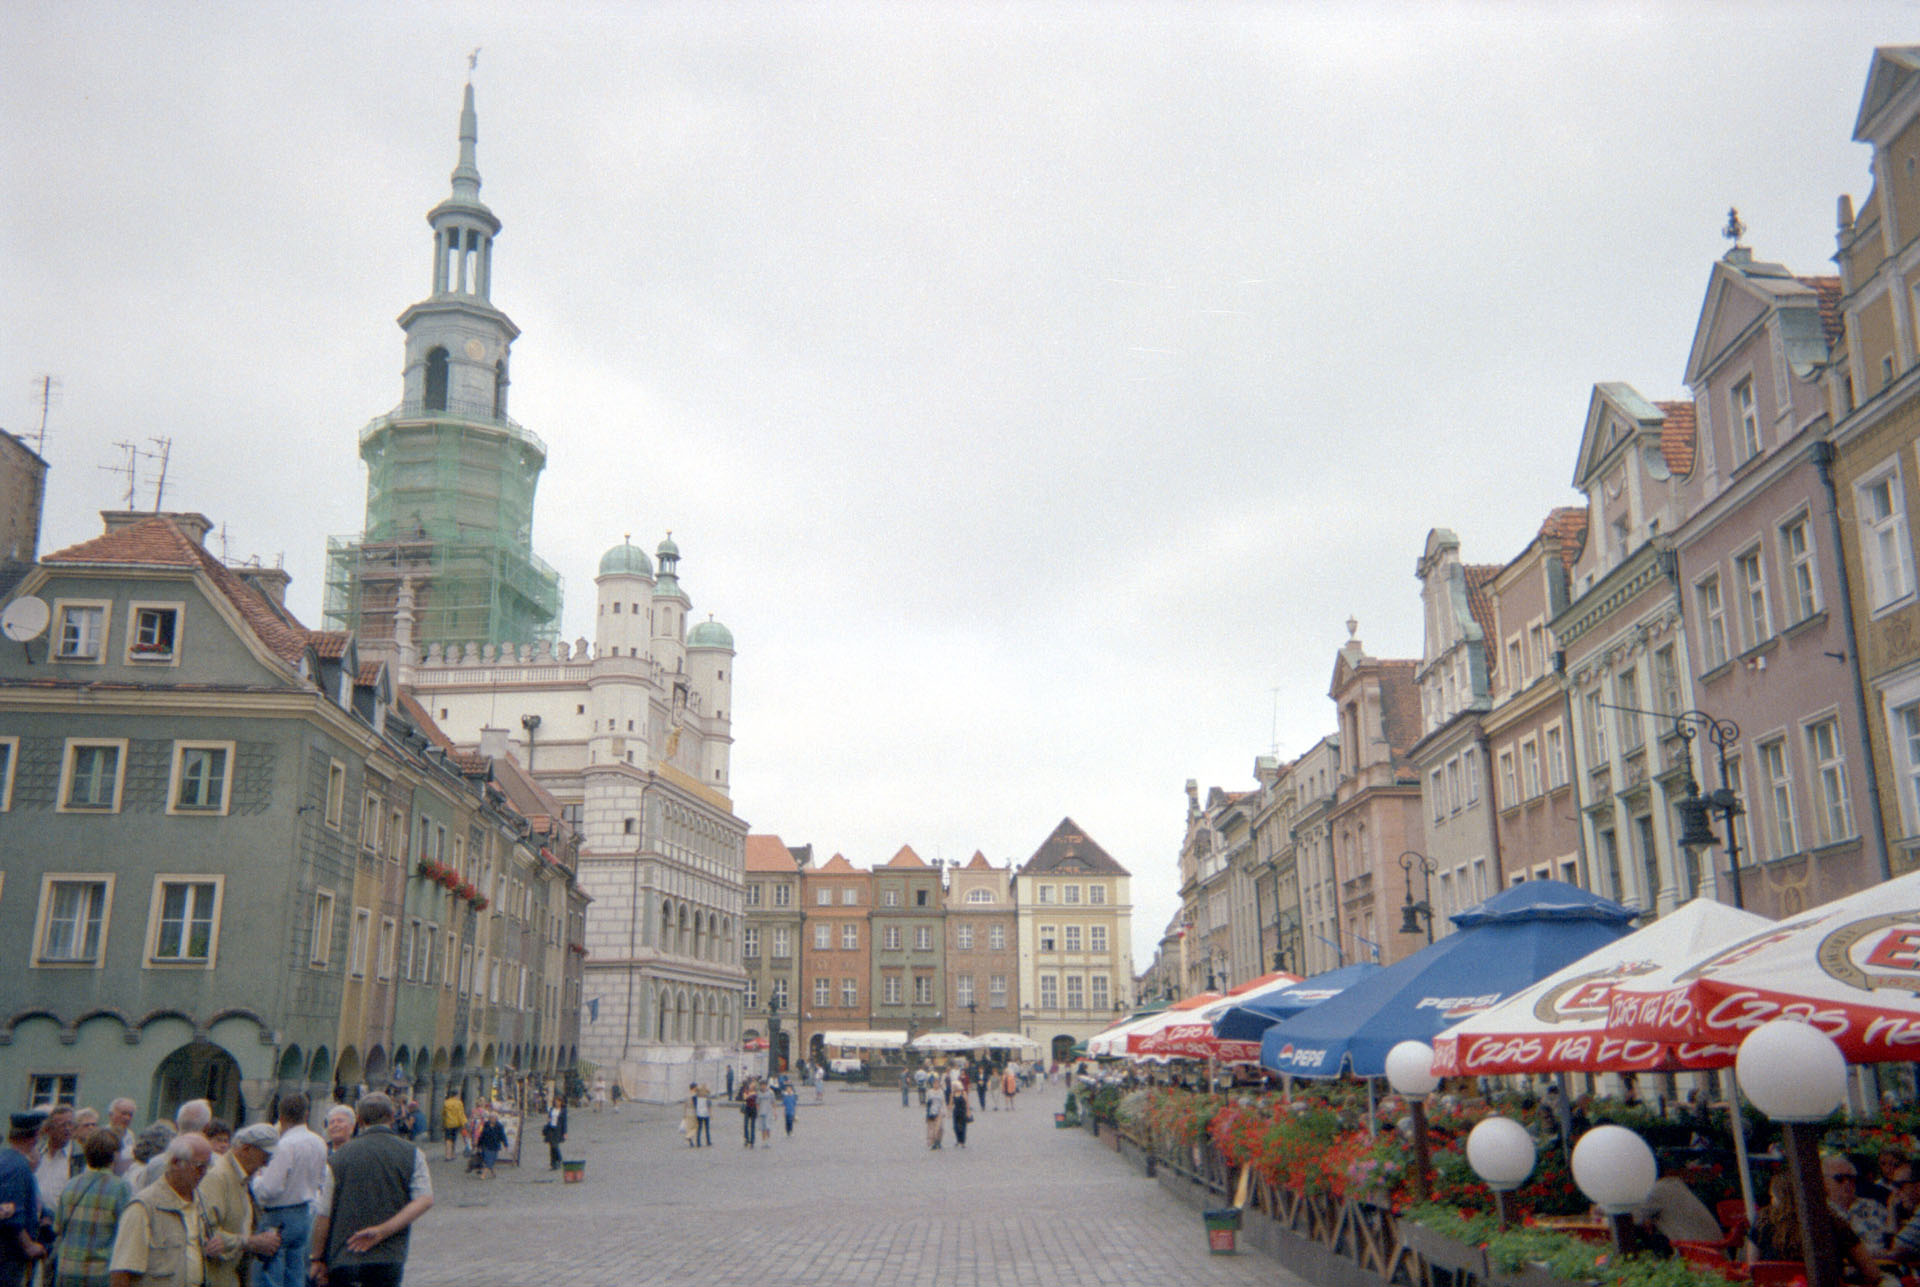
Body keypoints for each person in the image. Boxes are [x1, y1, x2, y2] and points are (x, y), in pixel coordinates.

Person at [309, 1093, 433, 1287]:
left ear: (359, 1120)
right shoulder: (413, 1153)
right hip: (388, 1255)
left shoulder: (338, 1157)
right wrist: (383, 1231)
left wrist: (316, 1257)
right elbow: (425, 1199)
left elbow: (324, 1213)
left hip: (345, 1254)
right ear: (392, 1116)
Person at [108, 1132, 213, 1287]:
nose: (204, 1173)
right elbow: (121, 1273)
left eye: (207, 1167)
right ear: (176, 1163)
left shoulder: (201, 1201)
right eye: (199, 1167)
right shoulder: (144, 1207)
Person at [251, 1093, 327, 1287]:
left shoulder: (285, 1145)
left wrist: (257, 1181)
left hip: (279, 1216)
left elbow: (270, 1188)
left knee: (269, 1273)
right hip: (304, 1212)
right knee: (295, 1272)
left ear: (281, 1116)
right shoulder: (319, 1142)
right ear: (306, 1114)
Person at [1753, 1167, 1881, 1283]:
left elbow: (1753, 1270)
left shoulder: (1763, 1225)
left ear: (1778, 1197)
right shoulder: (1834, 1224)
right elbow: (1872, 1273)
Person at [200, 1123, 281, 1287]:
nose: (266, 1164)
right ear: (246, 1149)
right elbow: (207, 1234)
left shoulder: (241, 1178)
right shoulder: (218, 1176)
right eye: (265, 1156)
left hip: (229, 1276)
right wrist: (251, 1242)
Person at [51, 1126, 129, 1287]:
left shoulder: (71, 1184)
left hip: (66, 1269)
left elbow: (58, 1227)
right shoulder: (120, 1187)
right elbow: (125, 1232)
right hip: (99, 1273)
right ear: (114, 1155)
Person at [0, 1112, 48, 1287]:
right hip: (9, 1256)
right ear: (34, 1137)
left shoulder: (6, 1158)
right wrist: (29, 1246)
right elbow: (10, 1216)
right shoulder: (19, 1166)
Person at [1630, 1168, 1721, 1248]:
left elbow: (1629, 1220)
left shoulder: (1656, 1191)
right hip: (1714, 1249)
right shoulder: (1674, 1185)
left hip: (1699, 1253)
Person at [473, 1112, 506, 1179]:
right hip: (486, 1145)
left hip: (494, 1146)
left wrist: (505, 1144)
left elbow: (502, 1136)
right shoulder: (486, 1124)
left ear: (496, 1119)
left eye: (494, 1118)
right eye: (491, 1118)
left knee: (490, 1160)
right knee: (487, 1160)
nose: (492, 1119)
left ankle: (483, 1175)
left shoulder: (499, 1126)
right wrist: (478, 1144)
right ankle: (493, 1173)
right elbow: (482, 1135)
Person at [439, 1093, 465, 1163]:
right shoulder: (459, 1103)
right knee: (454, 1139)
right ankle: (452, 1154)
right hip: (456, 1123)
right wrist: (463, 1123)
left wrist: (443, 1122)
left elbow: (443, 1114)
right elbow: (460, 1114)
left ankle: (447, 1155)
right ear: (456, 1095)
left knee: (448, 1139)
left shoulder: (446, 1103)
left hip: (448, 1123)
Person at [542, 1098, 567, 1171]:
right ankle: (553, 1163)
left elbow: (564, 1122)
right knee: (551, 1147)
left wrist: (565, 1132)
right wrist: (548, 1121)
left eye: (558, 1102)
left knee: (555, 1146)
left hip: (557, 1130)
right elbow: (549, 1118)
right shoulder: (551, 1109)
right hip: (550, 1129)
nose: (557, 1103)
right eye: (555, 1102)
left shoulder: (563, 1111)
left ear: (561, 1102)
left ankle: (559, 1159)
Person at [924, 1083, 945, 1150]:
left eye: (937, 1084)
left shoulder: (941, 1092)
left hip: (939, 1111)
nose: (936, 1085)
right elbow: (927, 1102)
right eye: (935, 1083)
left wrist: (944, 1111)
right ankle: (933, 1143)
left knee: (939, 1128)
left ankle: (938, 1141)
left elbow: (943, 1102)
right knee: (932, 1128)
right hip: (931, 1111)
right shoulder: (929, 1092)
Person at [739, 1084, 758, 1149]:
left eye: (752, 1086)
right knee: (745, 1125)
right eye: (750, 1086)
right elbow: (744, 1098)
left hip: (753, 1109)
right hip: (747, 1109)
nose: (751, 1087)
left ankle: (752, 1141)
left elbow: (756, 1100)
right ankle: (746, 1139)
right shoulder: (746, 1091)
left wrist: (749, 1095)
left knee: (752, 1126)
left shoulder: (755, 1093)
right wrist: (751, 1095)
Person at [756, 1081, 774, 1148]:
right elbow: (757, 1103)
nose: (763, 1087)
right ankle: (763, 1141)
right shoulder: (759, 1093)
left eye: (764, 1085)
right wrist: (757, 1112)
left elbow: (773, 1102)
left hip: (768, 1112)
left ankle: (768, 1140)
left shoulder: (770, 1093)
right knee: (763, 1127)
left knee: (768, 1127)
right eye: (762, 1085)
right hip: (761, 1112)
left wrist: (774, 1112)